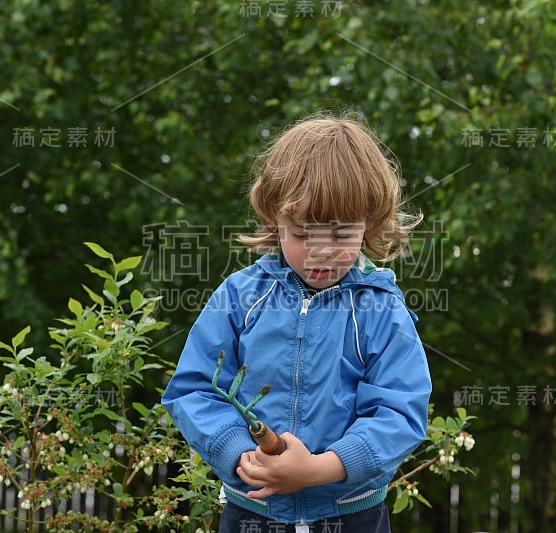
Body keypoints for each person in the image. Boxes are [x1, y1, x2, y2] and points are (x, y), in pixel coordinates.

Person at [161, 114, 432, 532]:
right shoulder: (239, 297)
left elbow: (399, 413)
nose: (321, 252)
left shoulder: (381, 309)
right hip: (252, 510)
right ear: (274, 218)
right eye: (303, 234)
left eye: (341, 235)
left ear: (370, 224)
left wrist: (320, 468)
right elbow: (195, 389)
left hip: (351, 514)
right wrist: (239, 455)